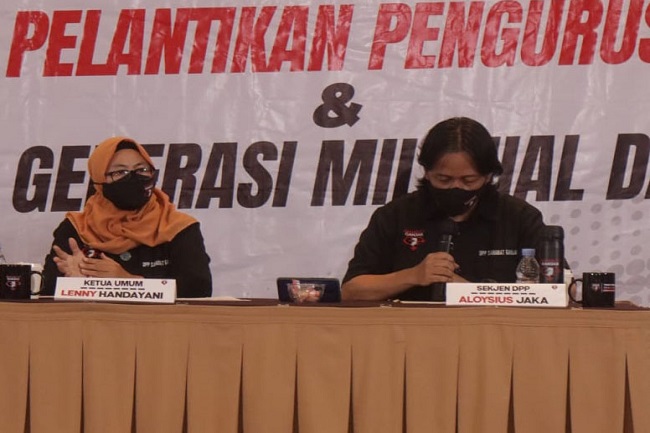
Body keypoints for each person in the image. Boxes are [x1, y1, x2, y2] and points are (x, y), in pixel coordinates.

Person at [342, 117, 546, 301]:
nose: (456, 187)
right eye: (444, 179)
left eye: (468, 180)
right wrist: (412, 275)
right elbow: (351, 291)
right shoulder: (394, 216)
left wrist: (469, 292)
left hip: (495, 329)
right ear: (427, 171)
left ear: (487, 176)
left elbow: (552, 293)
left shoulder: (519, 217)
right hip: (408, 329)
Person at [42, 137, 212, 297]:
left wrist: (128, 282)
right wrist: (76, 284)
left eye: (142, 170)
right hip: (92, 318)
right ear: (99, 180)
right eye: (120, 172)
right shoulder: (77, 228)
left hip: (158, 319)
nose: (132, 178)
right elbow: (46, 289)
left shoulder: (178, 227)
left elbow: (199, 288)